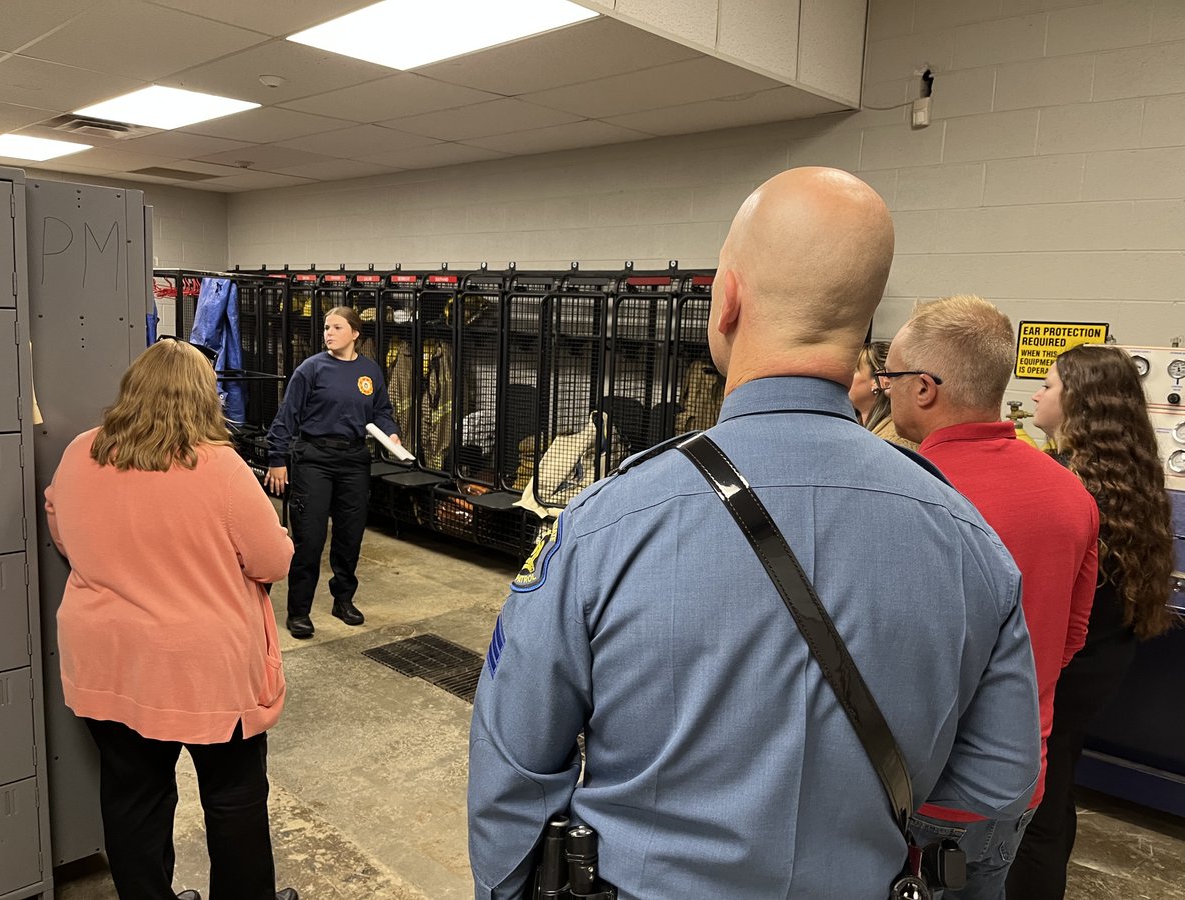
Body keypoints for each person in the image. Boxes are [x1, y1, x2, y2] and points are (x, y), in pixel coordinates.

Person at [466, 167, 1041, 900]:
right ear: (866, 326)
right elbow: (998, 779)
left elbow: (512, 764)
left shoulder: (605, 524)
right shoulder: (970, 543)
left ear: (728, 300)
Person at [43, 338, 298, 900]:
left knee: (134, 799)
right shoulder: (220, 466)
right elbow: (271, 560)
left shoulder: (81, 452)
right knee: (233, 800)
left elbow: (60, 527)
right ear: (204, 399)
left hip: (107, 662)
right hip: (202, 671)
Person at [883, 295, 1099, 900]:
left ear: (923, 387)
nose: (885, 389)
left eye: (890, 377)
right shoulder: (1070, 494)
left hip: (912, 789)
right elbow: (1069, 639)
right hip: (1014, 789)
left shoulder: (893, 493)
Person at [1006, 344, 1178, 900]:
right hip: (1100, 664)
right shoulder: (1131, 479)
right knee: (1055, 796)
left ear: (1080, 402)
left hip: (1067, 668)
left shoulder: (1068, 486)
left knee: (1037, 812)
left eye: (1049, 385)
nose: (1036, 392)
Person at [264, 306, 401, 639]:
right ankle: (299, 611)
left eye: (337, 327)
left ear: (355, 333)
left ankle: (344, 599)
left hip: (354, 459)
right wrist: (276, 458)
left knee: (349, 535)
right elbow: (287, 416)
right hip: (314, 458)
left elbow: (382, 411)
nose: (328, 333)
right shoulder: (311, 369)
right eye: (326, 327)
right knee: (309, 538)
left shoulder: (370, 372)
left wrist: (391, 432)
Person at [850, 339, 918, 449]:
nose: (846, 377)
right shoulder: (852, 426)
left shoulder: (895, 440)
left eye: (853, 371)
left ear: (879, 380)